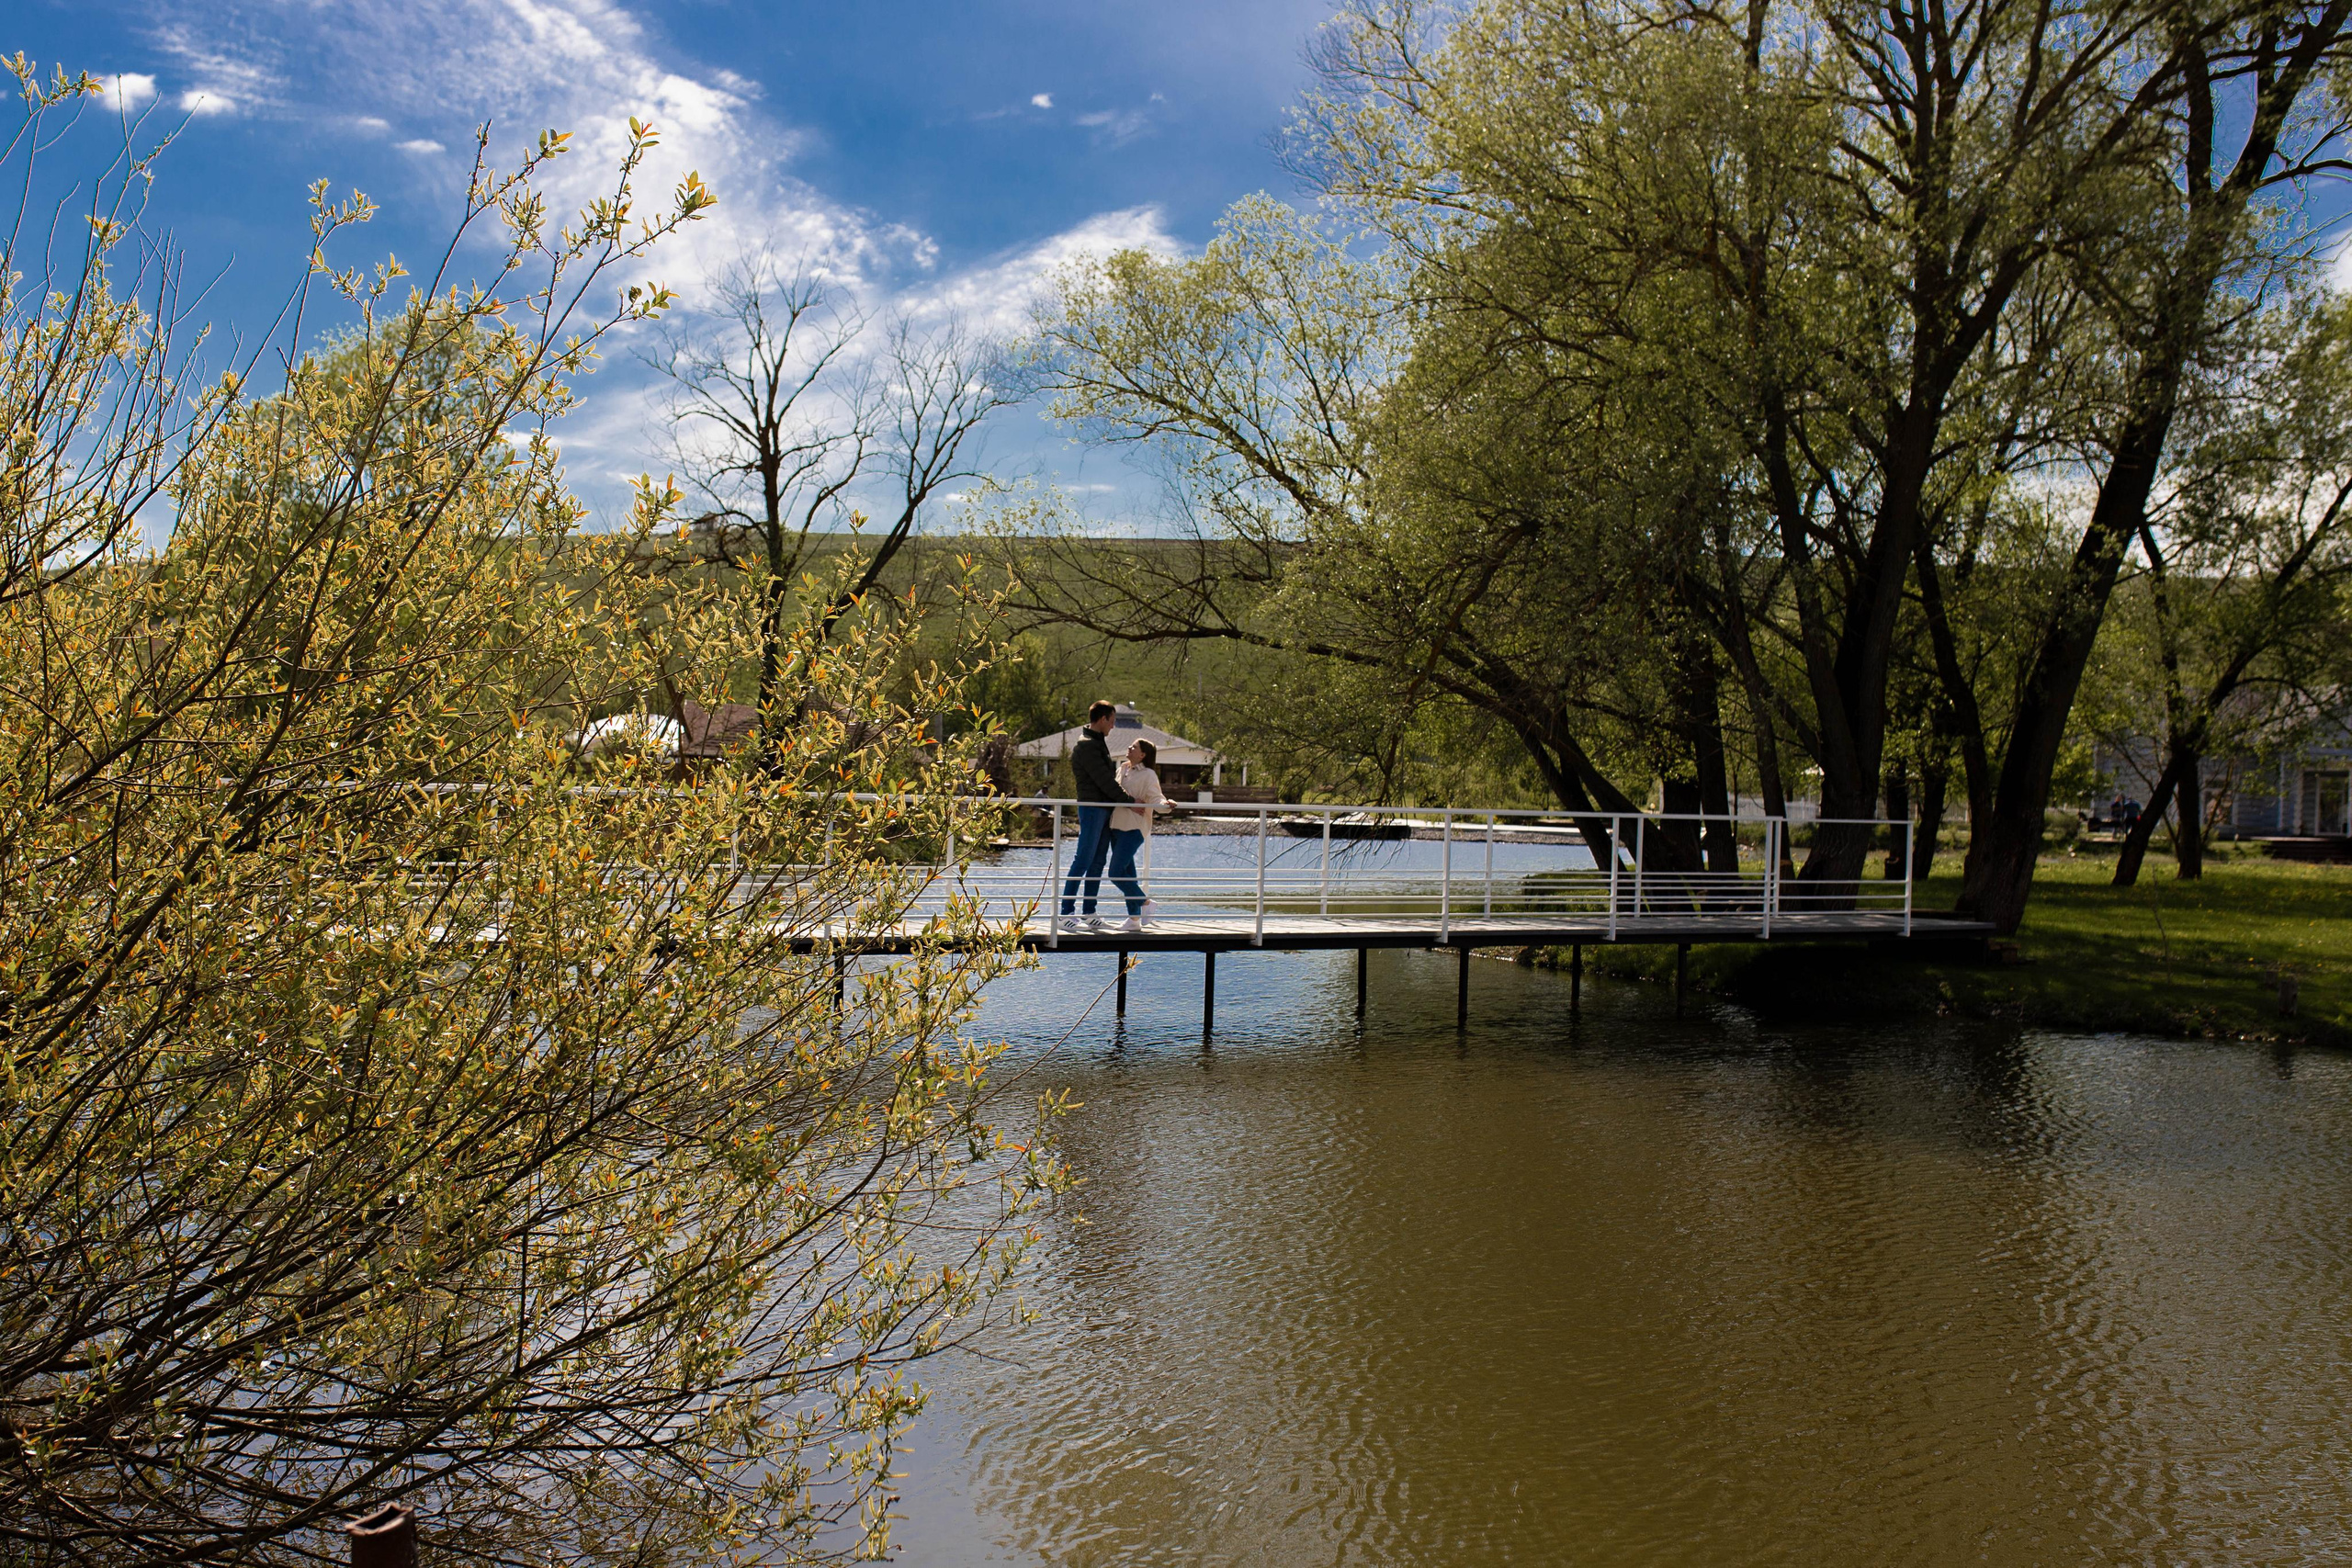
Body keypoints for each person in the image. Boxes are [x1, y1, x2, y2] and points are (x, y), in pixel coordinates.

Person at [1060, 700, 1131, 931]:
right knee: (1083, 859)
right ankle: (1065, 913)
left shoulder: (1097, 743)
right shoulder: (1087, 745)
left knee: (1098, 861)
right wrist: (1130, 801)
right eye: (1112, 721)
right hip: (1092, 809)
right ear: (1102, 719)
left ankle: (1089, 910)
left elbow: (1106, 781)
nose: (1113, 726)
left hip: (1103, 809)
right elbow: (1104, 780)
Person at [1106, 738, 1172, 931]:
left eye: (1134, 747)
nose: (1129, 747)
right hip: (1116, 826)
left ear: (1142, 754)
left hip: (1134, 828)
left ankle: (1145, 903)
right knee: (1128, 874)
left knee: (1115, 873)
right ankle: (1134, 920)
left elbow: (1156, 797)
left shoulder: (1149, 774)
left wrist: (1166, 806)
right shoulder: (1122, 768)